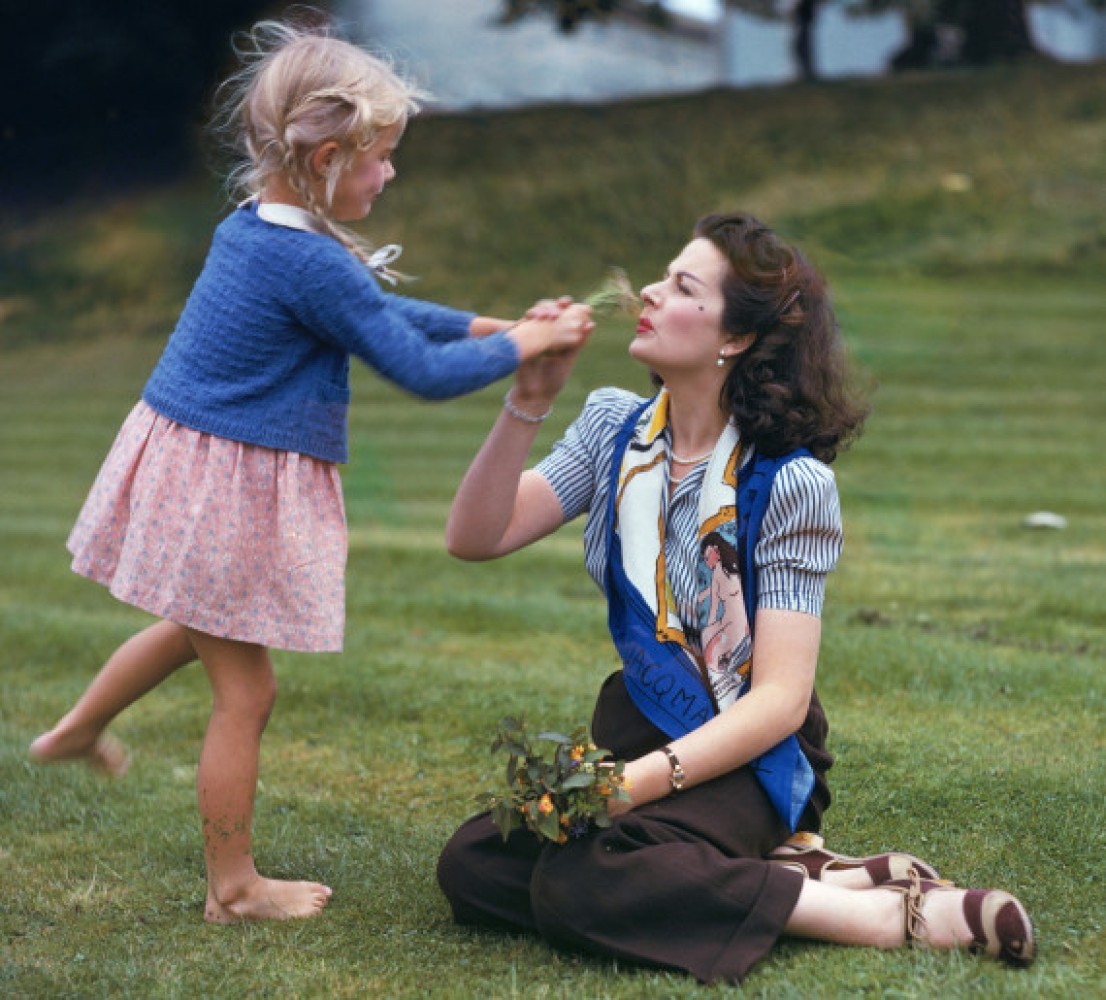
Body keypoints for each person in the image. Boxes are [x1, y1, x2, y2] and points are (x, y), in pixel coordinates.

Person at [28, 18, 592, 924]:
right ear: (327, 157)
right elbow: (418, 370)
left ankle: (76, 729)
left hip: (202, 466)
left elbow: (378, 308)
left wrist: (489, 324)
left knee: (190, 627)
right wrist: (522, 346)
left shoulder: (262, 225)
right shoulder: (304, 259)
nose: (391, 173)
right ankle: (234, 888)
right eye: (380, 157)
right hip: (222, 479)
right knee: (247, 690)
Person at [436, 212, 1034, 982]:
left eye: (682, 286)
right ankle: (801, 873)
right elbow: (475, 536)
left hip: (753, 748)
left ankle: (881, 914)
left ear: (736, 340)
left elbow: (780, 701)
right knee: (473, 864)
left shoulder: (788, 483)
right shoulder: (613, 429)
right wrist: (528, 398)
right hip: (639, 722)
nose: (649, 291)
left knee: (584, 879)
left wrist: (633, 788)